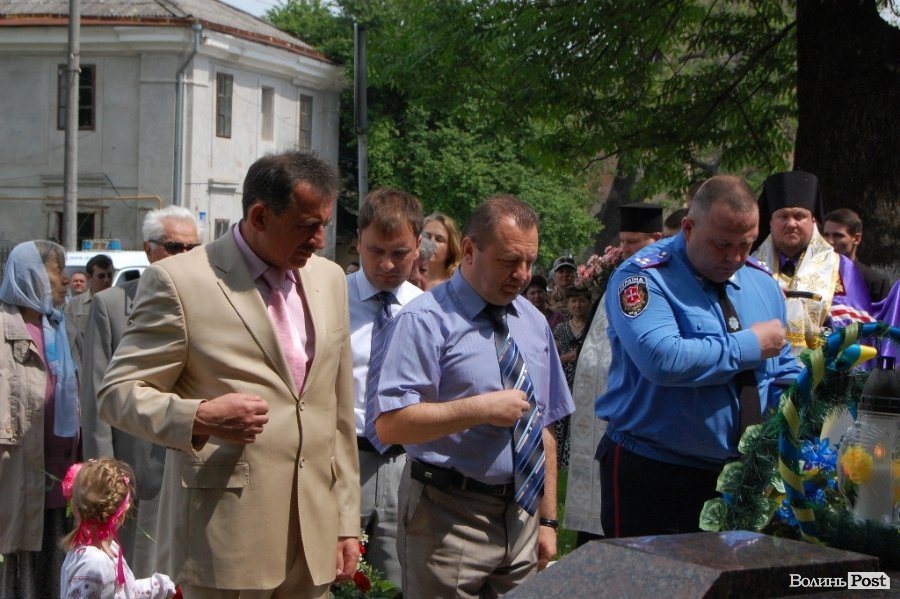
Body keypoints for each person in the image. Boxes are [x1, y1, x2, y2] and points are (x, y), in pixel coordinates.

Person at [98, 149, 360, 598]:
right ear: (259, 216)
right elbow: (116, 394)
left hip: (312, 540)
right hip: (225, 542)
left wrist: (345, 519)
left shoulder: (330, 279)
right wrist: (199, 417)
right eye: (306, 226)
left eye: (325, 225)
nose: (319, 239)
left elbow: (337, 412)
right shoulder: (180, 282)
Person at [373, 195, 574, 598]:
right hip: (447, 517)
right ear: (468, 250)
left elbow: (545, 424)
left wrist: (548, 521)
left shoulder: (534, 322)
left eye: (529, 262)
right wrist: (478, 409)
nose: (522, 275)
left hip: (521, 517)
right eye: (509, 261)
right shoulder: (425, 321)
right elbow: (392, 424)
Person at [597, 175, 801, 538]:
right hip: (656, 475)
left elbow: (781, 367)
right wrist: (749, 345)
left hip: (742, 478)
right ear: (689, 229)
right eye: (722, 244)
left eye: (746, 244)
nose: (734, 257)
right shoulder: (645, 278)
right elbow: (662, 359)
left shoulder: (761, 282)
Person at [80, 206, 201, 578]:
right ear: (149, 250)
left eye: (193, 248)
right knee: (135, 573)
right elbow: (97, 396)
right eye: (174, 247)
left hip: (194, 467)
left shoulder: (211, 305)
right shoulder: (111, 306)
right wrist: (104, 474)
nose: (185, 255)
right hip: (135, 472)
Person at [564, 202, 663, 545]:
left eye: (633, 242)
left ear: (656, 239)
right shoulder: (618, 282)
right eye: (622, 241)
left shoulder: (662, 283)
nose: (624, 249)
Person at [349, 187, 423, 586]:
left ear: (418, 246)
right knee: (335, 578)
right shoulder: (331, 301)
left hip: (405, 464)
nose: (387, 264)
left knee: (395, 582)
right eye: (376, 250)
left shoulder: (427, 311)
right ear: (359, 241)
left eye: (400, 252)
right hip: (344, 459)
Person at [0, 240, 78, 599]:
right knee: (20, 579)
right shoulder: (5, 330)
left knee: (56, 575)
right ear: (29, 276)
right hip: (18, 481)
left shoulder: (60, 329)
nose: (65, 279)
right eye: (55, 270)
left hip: (62, 483)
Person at [752, 171, 873, 354]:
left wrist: (821, 337)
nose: (791, 224)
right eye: (783, 216)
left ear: (813, 220)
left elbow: (856, 331)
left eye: (799, 216)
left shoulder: (841, 269)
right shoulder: (749, 266)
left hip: (821, 366)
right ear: (770, 222)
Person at [59, 459, 177, 599]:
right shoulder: (93, 563)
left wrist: (157, 587)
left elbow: (123, 591)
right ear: (121, 514)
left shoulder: (110, 549)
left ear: (75, 508)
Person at [552, 284, 591, 470]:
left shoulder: (594, 329)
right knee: (560, 425)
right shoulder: (560, 329)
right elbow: (550, 359)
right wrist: (566, 357)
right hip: (563, 384)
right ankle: (556, 465)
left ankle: (575, 466)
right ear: (567, 304)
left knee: (579, 425)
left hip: (586, 385)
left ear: (589, 302)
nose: (577, 305)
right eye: (573, 301)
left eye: (582, 300)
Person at [823, 208, 892, 303]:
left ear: (856, 239)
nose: (830, 241)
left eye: (838, 236)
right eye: (826, 235)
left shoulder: (874, 282)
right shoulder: (813, 276)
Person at [64, 253, 113, 366]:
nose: (107, 280)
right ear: (89, 277)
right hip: (84, 364)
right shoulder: (74, 305)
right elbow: (67, 339)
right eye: (101, 276)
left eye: (110, 275)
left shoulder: (121, 302)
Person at [421, 212, 462, 290]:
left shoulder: (454, 287)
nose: (431, 242)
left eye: (439, 239)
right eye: (427, 236)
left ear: (450, 249)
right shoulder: (405, 278)